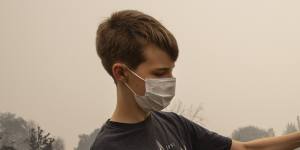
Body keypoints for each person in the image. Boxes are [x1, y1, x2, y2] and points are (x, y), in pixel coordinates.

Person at [90, 10, 300, 150]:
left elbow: (244, 149)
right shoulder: (109, 146)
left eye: (171, 71)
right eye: (160, 73)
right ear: (121, 73)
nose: (170, 81)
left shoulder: (174, 125)